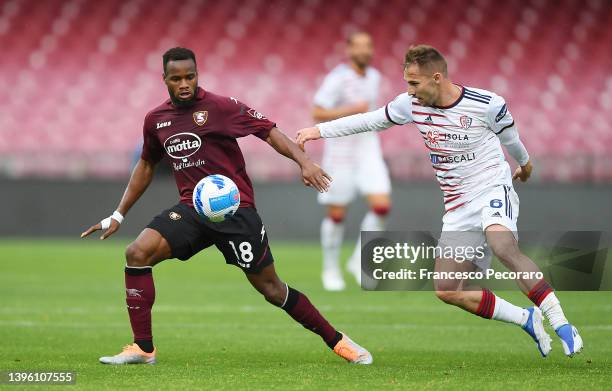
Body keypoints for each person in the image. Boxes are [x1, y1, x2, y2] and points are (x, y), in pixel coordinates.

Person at [81, 47, 372, 365]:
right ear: (164, 79)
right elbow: (147, 165)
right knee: (137, 253)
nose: (184, 84)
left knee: (272, 289)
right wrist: (118, 214)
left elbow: (269, 132)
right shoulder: (156, 121)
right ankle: (142, 348)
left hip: (236, 211)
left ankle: (339, 341)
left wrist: (304, 162)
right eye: (176, 78)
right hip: (192, 210)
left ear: (197, 74)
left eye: (189, 76)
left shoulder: (221, 107)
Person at [297, 45, 583, 358]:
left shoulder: (487, 103)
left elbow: (511, 139)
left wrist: (525, 165)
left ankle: (562, 322)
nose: (410, 91)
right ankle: (525, 318)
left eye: (414, 84)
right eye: (407, 83)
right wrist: (317, 130)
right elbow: (369, 120)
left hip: (491, 189)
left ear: (436, 77)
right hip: (458, 206)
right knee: (448, 289)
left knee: (503, 246)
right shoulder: (410, 105)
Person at [312, 32, 392, 291]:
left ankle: (359, 260)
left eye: (369, 46)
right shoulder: (337, 78)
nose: (365, 51)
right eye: (359, 46)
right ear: (348, 50)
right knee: (337, 213)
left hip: (368, 149)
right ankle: (330, 268)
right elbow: (317, 112)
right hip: (341, 153)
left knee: (381, 206)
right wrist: (351, 111)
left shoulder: (375, 77)